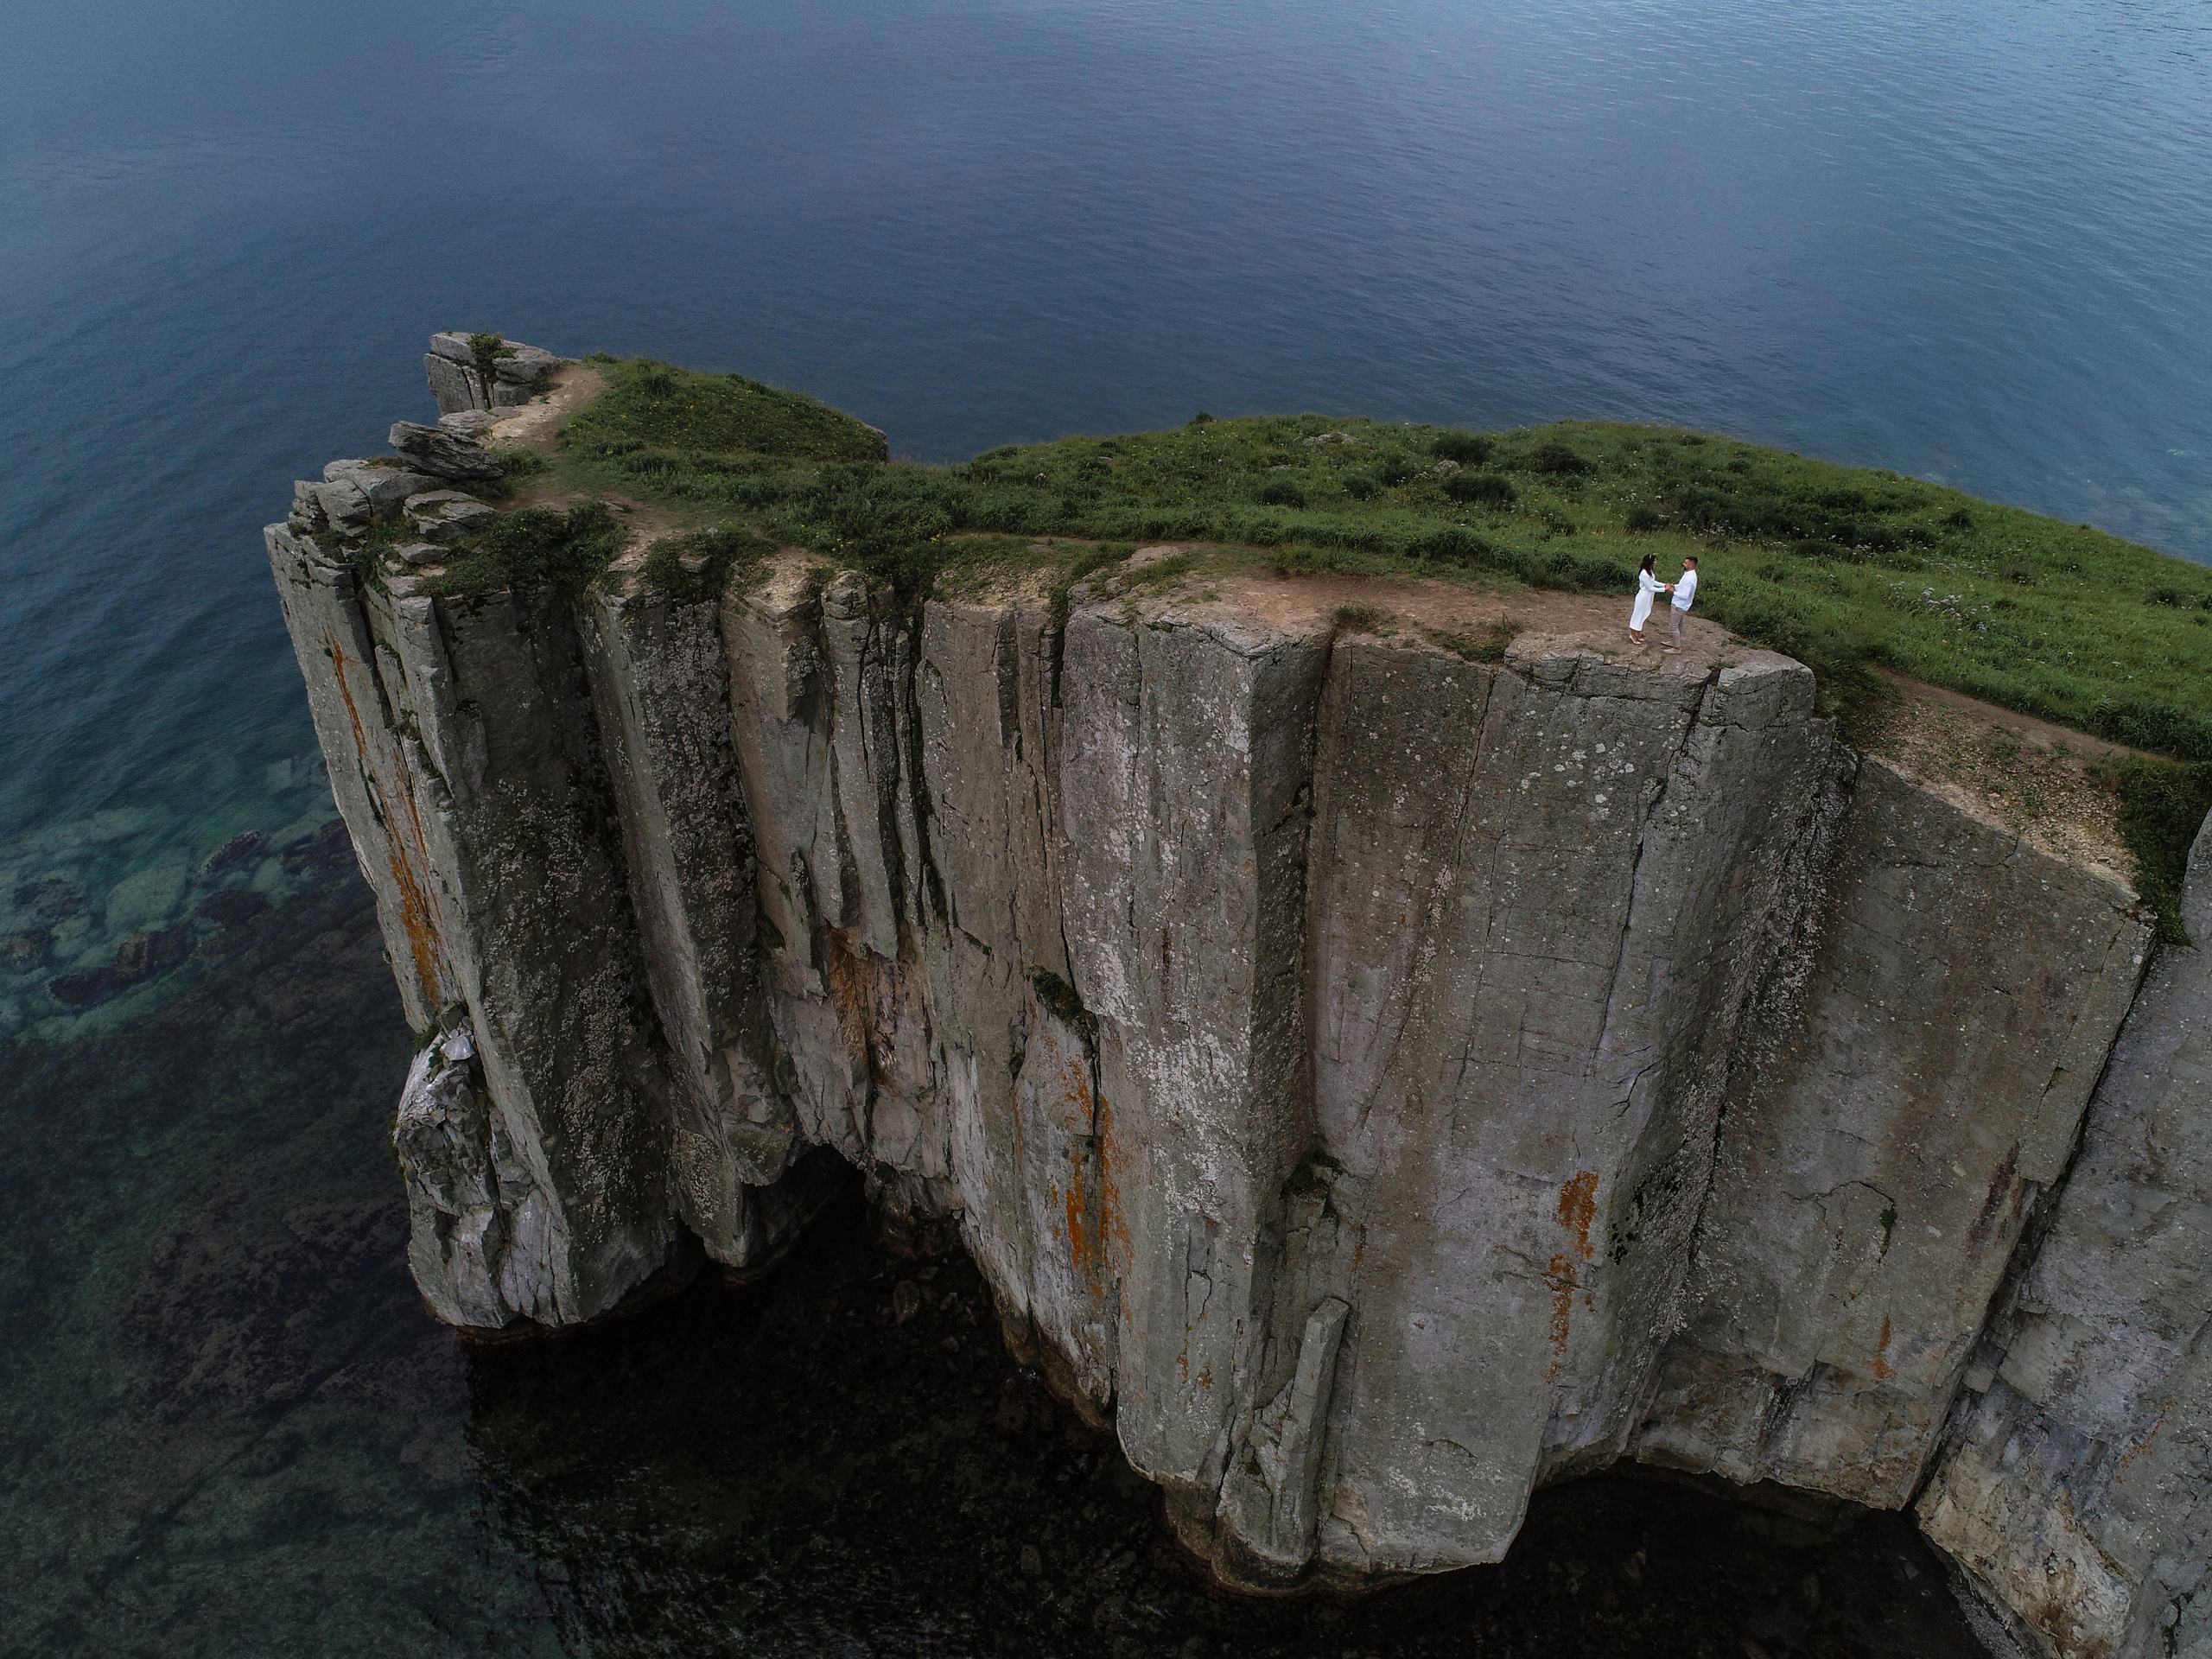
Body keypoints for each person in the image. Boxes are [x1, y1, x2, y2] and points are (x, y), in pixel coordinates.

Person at [1629, 554, 1666, 643]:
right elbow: (1650, 587)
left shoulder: (1650, 571)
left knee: (1644, 614)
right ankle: (1633, 634)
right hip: (1644, 596)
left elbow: (1653, 582)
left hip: (1648, 596)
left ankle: (1638, 632)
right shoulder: (1644, 574)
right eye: (1654, 561)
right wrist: (1664, 589)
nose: (1655, 562)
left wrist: (1664, 584)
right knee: (1638, 615)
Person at [1665, 556, 1698, 652]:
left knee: (1673, 626)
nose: (1684, 564)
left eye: (1686, 563)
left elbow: (1685, 595)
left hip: (1679, 605)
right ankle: (1674, 641)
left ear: (1691, 565)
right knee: (1680, 624)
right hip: (1682, 605)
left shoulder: (1690, 578)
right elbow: (1682, 587)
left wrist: (1673, 592)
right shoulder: (1688, 574)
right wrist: (1674, 586)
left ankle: (1677, 648)